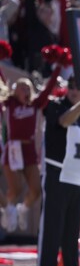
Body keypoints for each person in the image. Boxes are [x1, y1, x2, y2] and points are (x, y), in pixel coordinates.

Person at [38, 77, 80, 266]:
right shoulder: (55, 105)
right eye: (71, 87)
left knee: (72, 230)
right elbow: (64, 121)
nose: (74, 91)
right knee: (52, 229)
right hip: (58, 175)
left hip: (77, 178)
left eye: (78, 88)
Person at [0, 74, 59, 232]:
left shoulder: (35, 104)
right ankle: (8, 210)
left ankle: (21, 209)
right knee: (16, 188)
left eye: (28, 87)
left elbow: (47, 90)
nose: (25, 90)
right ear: (15, 91)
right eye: (22, 87)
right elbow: (4, 84)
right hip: (13, 149)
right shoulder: (10, 103)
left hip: (29, 149)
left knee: (36, 190)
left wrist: (58, 67)